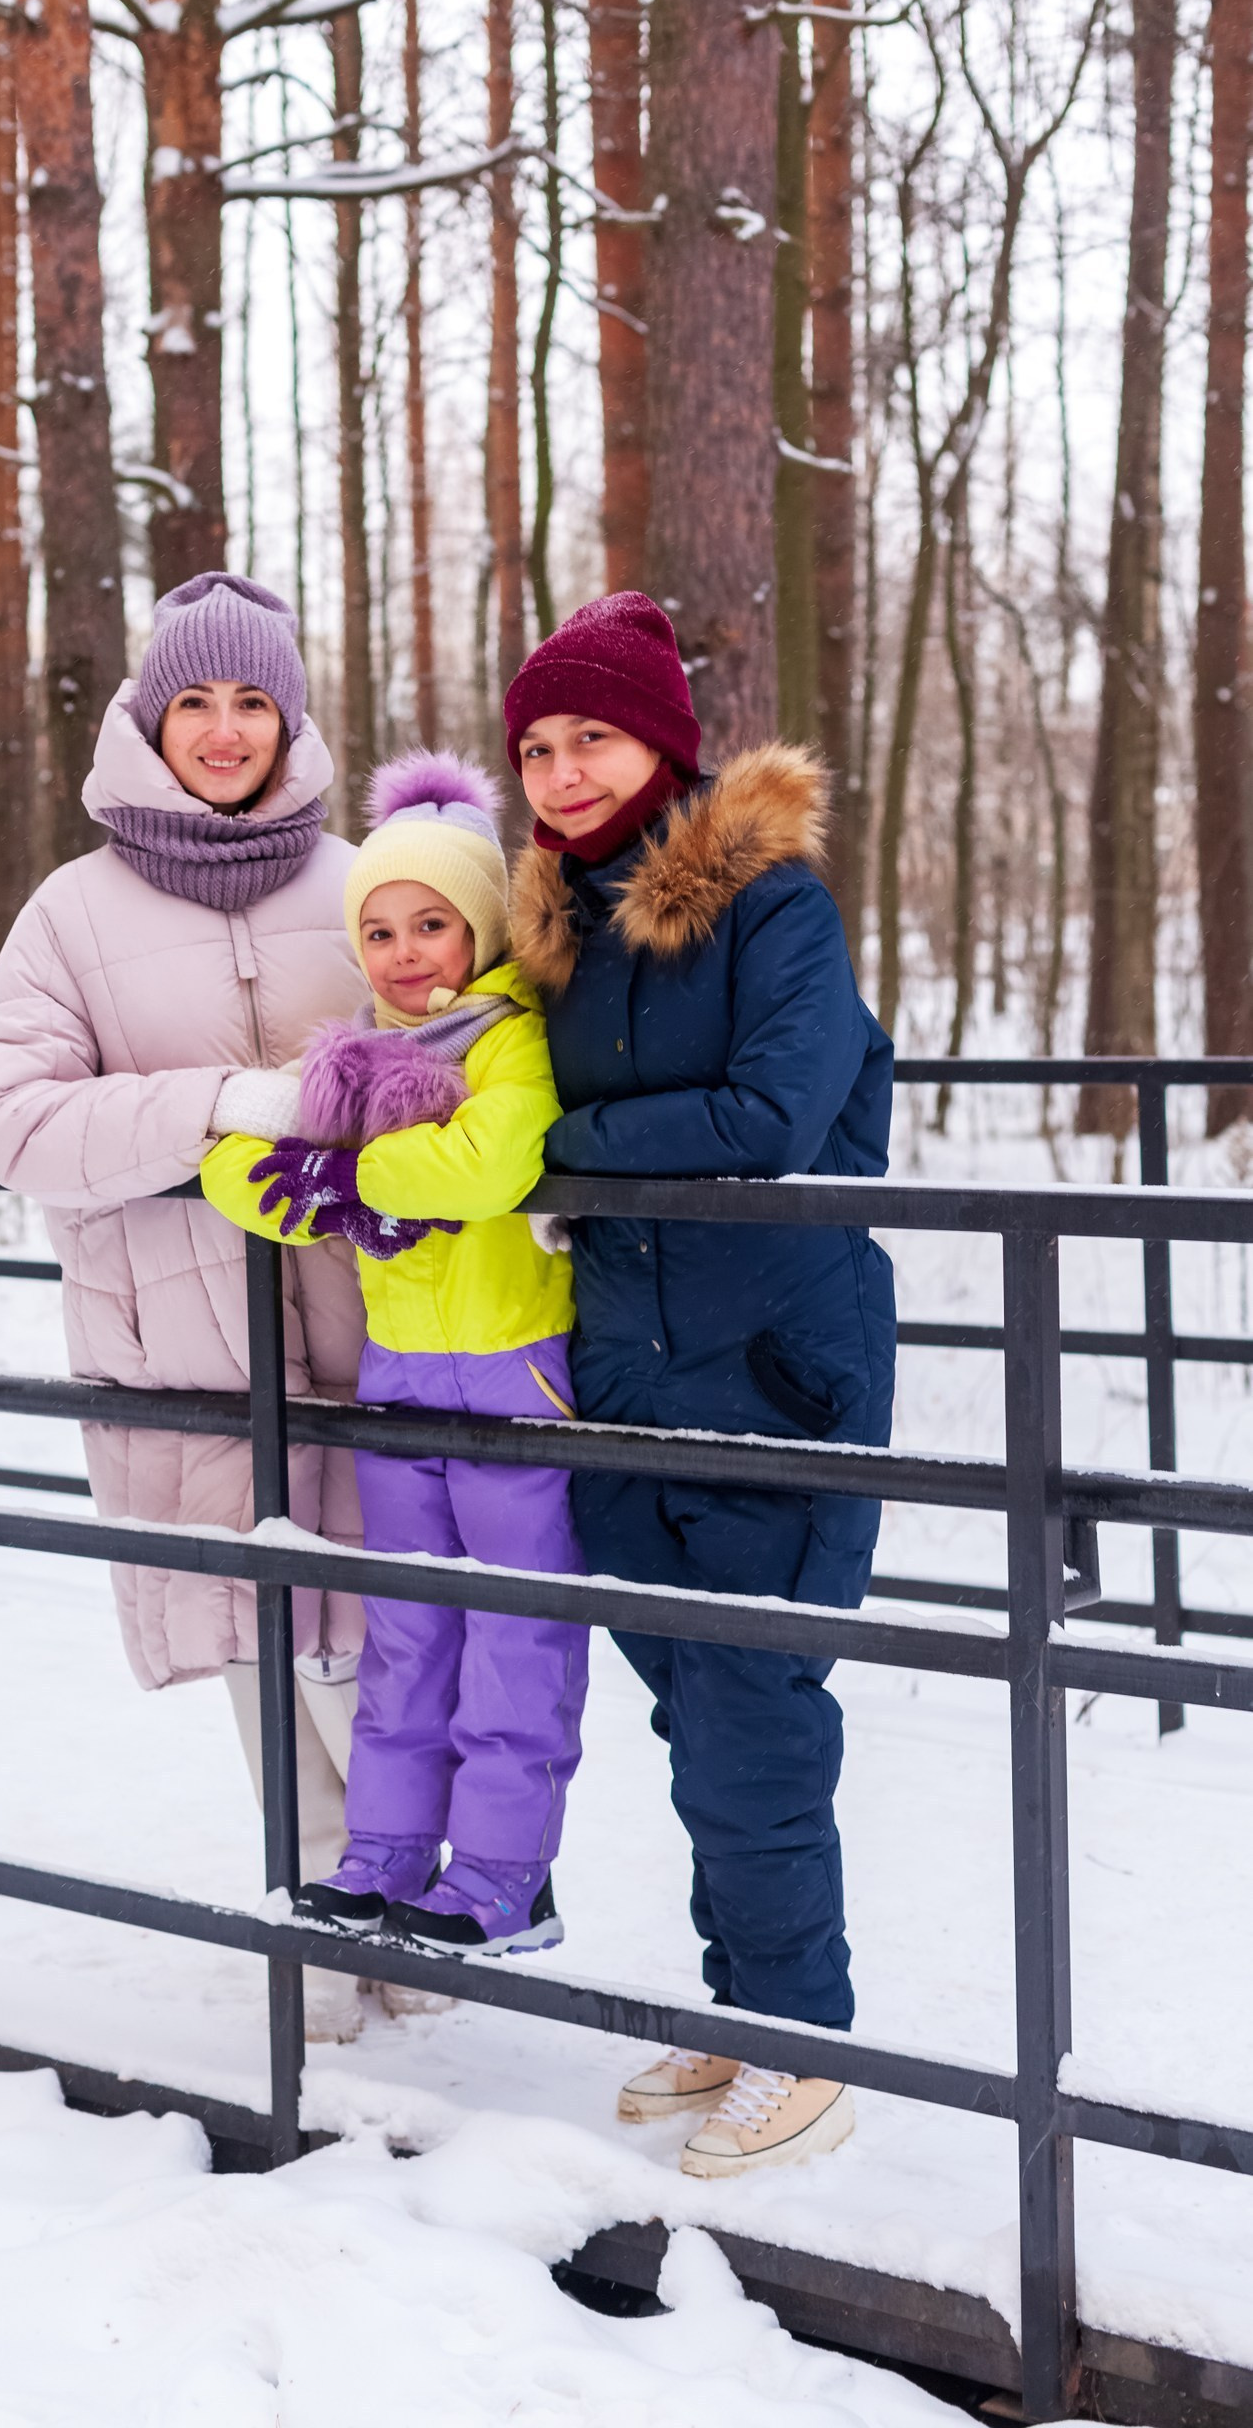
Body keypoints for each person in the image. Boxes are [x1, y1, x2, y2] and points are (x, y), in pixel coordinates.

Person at [504, 591, 896, 2176]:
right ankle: (741, 2006)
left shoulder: (771, 907)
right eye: (533, 744)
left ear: (659, 741)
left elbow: (767, 1123)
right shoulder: (558, 929)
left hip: (768, 1362)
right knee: (687, 1707)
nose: (558, 769)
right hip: (622, 1372)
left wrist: (555, 1156)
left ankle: (801, 2037)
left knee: (751, 1708)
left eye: (588, 735)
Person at [0, 572, 374, 2043]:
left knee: (385, 1648)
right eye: (193, 702)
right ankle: (324, 1937)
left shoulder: (365, 886)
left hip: (377, 1346)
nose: (221, 730)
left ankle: (410, 1919)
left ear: (289, 717)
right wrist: (219, 1104)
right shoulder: (70, 913)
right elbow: (11, 1124)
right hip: (183, 1354)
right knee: (264, 1652)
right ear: (148, 716)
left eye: (249, 701)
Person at [201, 751, 590, 1958]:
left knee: (516, 1636)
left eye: (434, 924)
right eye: (380, 929)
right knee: (407, 1629)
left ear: (479, 931)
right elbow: (232, 1171)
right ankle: (382, 1856)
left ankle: (502, 1875)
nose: (407, 951)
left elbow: (488, 1162)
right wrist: (329, 1181)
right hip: (400, 1381)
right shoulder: (353, 1059)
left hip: (515, 1373)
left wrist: (347, 1179)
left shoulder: (515, 1042)